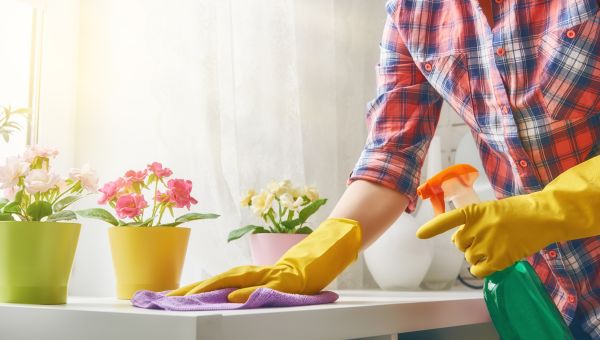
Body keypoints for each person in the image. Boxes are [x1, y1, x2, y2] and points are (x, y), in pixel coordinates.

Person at [170, 0, 599, 337]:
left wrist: (548, 211)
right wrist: (309, 260)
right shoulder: (413, 10)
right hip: (553, 308)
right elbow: (391, 155)